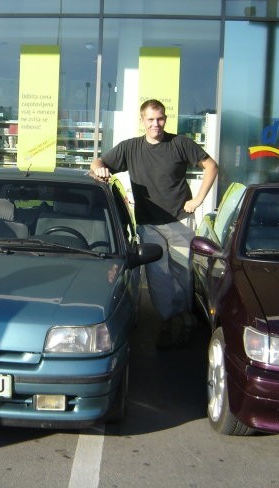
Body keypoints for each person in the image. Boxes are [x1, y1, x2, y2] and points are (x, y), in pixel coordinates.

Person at [91, 99, 218, 349]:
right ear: (142, 121)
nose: (155, 124)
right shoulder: (130, 148)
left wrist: (198, 199)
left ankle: (182, 316)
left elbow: (211, 166)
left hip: (181, 221)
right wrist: (100, 170)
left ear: (165, 119)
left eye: (159, 119)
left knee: (182, 273)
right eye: (150, 119)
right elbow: (98, 163)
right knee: (158, 276)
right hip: (149, 224)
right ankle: (169, 321)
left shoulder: (180, 143)